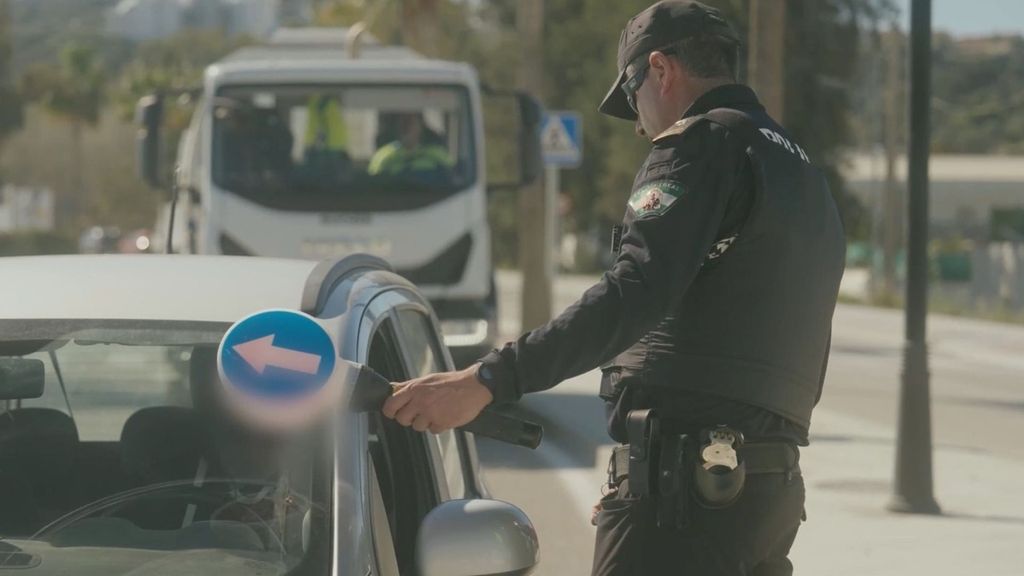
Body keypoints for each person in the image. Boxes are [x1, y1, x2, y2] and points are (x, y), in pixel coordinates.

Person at [382, 1, 846, 574]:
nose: (637, 122)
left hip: (686, 492)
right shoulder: (800, 172)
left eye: (631, 96)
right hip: (762, 493)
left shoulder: (698, 145)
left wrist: (487, 378)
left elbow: (633, 291)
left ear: (660, 69)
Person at [367, 112, 454, 183]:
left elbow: (452, 178)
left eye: (410, 122)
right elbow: (374, 184)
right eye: (402, 122)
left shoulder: (438, 154)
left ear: (420, 126)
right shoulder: (383, 157)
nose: (406, 127)